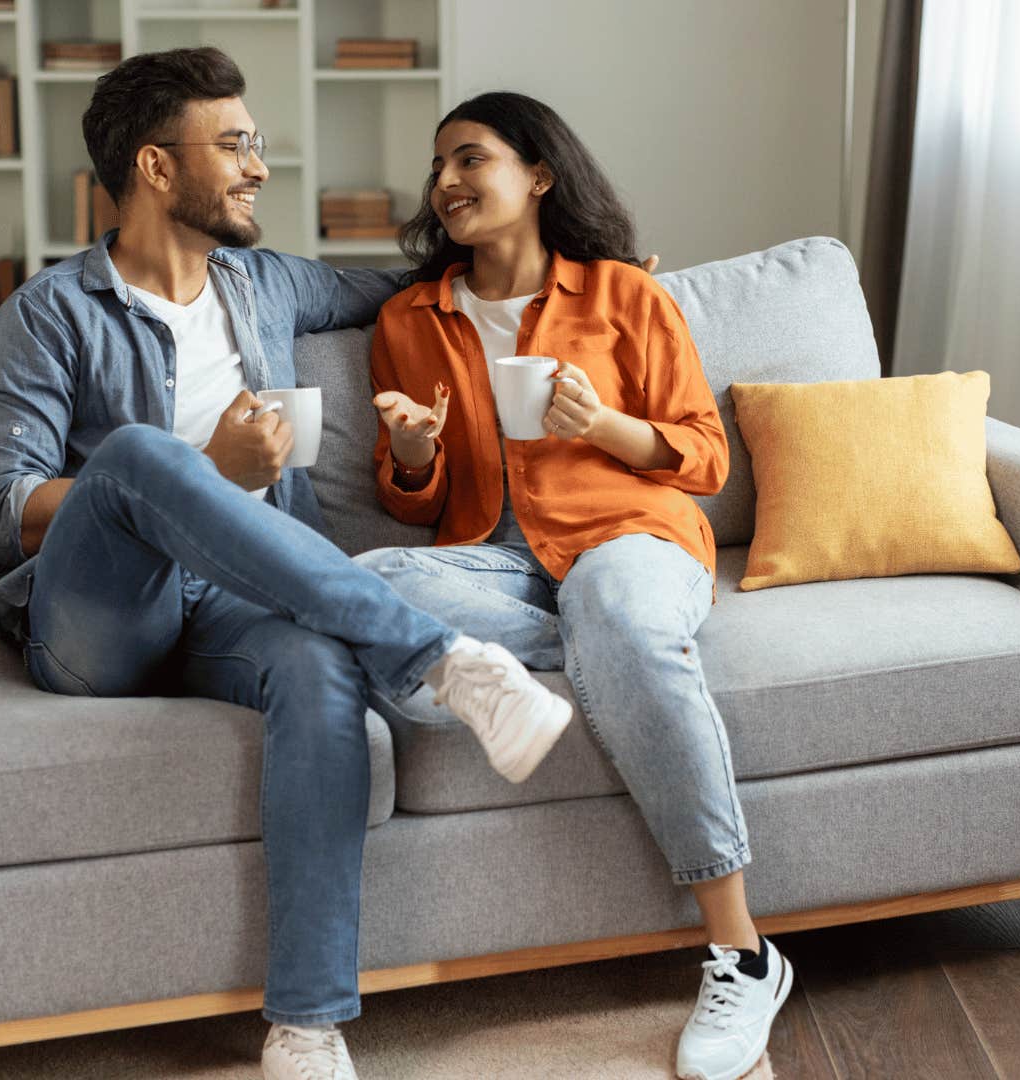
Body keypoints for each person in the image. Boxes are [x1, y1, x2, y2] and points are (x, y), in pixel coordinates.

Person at [0, 51, 576, 1080]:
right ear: (158, 168)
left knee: (319, 668)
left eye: (257, 143)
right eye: (237, 144)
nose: (260, 166)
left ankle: (305, 1024)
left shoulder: (264, 286)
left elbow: (420, 284)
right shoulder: (51, 313)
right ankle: (441, 660)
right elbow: (1, 514)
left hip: (241, 607)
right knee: (139, 456)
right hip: (98, 623)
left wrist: (582, 269)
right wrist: (206, 465)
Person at [353, 92, 791, 1080]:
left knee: (620, 611)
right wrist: (413, 455)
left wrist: (599, 428)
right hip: (497, 561)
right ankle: (594, 646)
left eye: (471, 159)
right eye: (438, 169)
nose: (447, 184)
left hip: (628, 534)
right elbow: (415, 511)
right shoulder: (408, 320)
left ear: (539, 175)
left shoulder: (626, 298)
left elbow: (705, 459)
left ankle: (742, 952)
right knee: (360, 582)